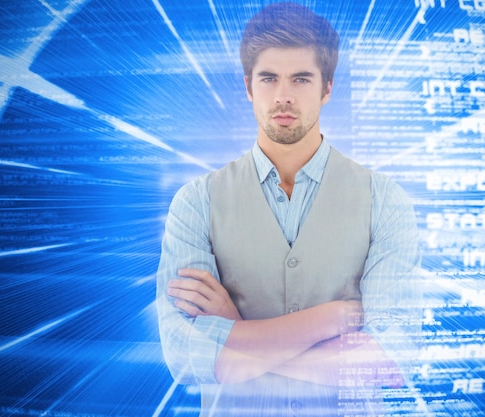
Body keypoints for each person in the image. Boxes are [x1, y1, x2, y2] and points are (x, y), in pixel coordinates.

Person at [156, 2, 422, 416]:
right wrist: (328, 321)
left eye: (301, 79)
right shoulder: (195, 202)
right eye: (268, 78)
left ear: (327, 87)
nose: (283, 96)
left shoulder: (385, 200)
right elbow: (187, 357)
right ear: (248, 86)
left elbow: (388, 359)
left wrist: (237, 334)